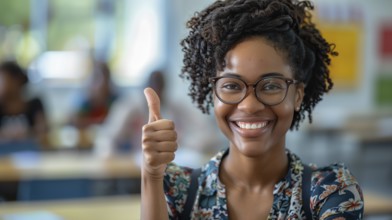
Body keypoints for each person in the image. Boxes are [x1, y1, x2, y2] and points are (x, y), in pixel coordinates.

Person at [141, 0, 364, 219]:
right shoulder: (176, 190)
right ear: (213, 94)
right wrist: (151, 175)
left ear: (297, 96)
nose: (249, 105)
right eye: (231, 86)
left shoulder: (331, 191)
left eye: (270, 86)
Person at [0, 61, 49, 147]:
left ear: (16, 80)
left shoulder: (34, 104)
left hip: (32, 155)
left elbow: (43, 131)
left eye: (3, 80)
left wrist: (27, 133)